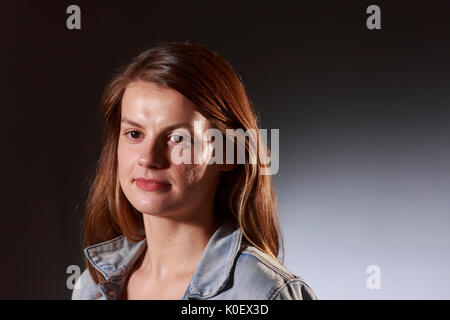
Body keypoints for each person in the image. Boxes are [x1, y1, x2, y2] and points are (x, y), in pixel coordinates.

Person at [71, 41, 317, 300]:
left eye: (178, 138)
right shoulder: (91, 287)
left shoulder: (263, 293)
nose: (148, 158)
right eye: (134, 134)